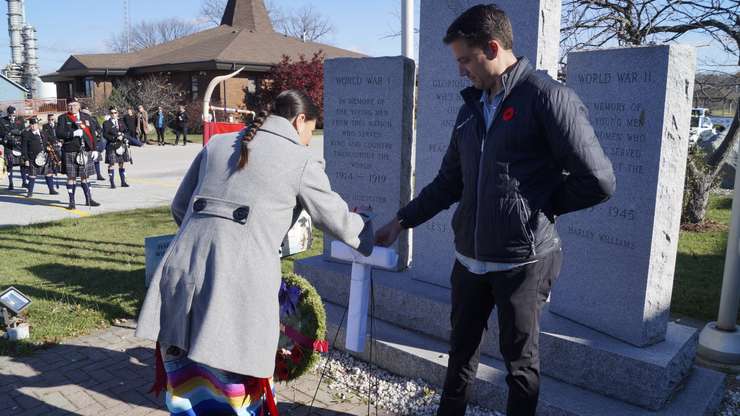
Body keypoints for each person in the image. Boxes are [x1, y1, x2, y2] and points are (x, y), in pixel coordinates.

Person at [374, 5, 616, 416]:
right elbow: (450, 182)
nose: (461, 70)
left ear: (492, 47)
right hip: (469, 259)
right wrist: (402, 220)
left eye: (465, 59)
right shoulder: (471, 109)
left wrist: (539, 208)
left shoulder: (547, 98)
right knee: (460, 355)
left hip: (523, 262)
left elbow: (598, 180)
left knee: (520, 365)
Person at [136, 90, 374, 415]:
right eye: (309, 131)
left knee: (187, 393)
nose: (307, 140)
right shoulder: (300, 159)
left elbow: (180, 207)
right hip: (237, 290)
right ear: (299, 120)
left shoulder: (217, 145)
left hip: (182, 274)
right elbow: (339, 221)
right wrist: (368, 228)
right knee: (237, 396)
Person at [57, 100, 101, 209]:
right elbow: (59, 134)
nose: (72, 107)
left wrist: (95, 149)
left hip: (85, 150)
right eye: (70, 105)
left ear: (79, 106)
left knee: (85, 176)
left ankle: (88, 199)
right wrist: (72, 134)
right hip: (70, 150)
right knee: (71, 177)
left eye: (74, 105)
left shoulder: (86, 117)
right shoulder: (63, 118)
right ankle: (72, 202)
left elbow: (92, 134)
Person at [21, 117, 58, 197]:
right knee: (32, 175)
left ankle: (51, 189)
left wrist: (55, 143)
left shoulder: (43, 133)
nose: (33, 126)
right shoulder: (26, 134)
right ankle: (30, 192)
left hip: (44, 156)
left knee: (48, 173)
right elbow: (24, 148)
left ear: (38, 125)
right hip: (32, 157)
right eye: (31, 124)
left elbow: (51, 140)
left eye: (35, 124)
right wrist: (26, 159)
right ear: (30, 125)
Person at [102, 107, 131, 188]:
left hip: (121, 145)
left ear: (117, 113)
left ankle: (123, 182)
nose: (113, 114)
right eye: (112, 113)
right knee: (111, 164)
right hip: (112, 145)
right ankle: (112, 183)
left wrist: (125, 137)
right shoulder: (106, 123)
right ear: (110, 114)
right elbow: (105, 134)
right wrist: (115, 138)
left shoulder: (121, 122)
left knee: (122, 163)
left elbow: (126, 131)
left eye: (115, 113)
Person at [0, 106, 24, 190]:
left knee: (23, 164)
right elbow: (2, 133)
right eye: (10, 114)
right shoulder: (2, 121)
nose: (12, 116)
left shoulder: (20, 119)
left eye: (13, 114)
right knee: (9, 165)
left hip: (19, 145)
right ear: (8, 114)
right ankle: (11, 183)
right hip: (8, 146)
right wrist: (9, 135)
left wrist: (14, 132)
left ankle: (24, 182)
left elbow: (22, 131)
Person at [81, 103, 106, 181]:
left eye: (87, 111)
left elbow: (99, 128)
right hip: (85, 141)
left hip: (94, 140)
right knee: (85, 159)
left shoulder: (93, 119)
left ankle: (98, 174)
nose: (86, 113)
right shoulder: (80, 120)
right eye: (84, 111)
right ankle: (84, 175)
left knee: (96, 158)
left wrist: (97, 132)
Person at [42, 113, 62, 190]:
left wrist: (61, 142)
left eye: (52, 119)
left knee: (60, 157)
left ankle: (59, 168)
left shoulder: (58, 125)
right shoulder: (45, 126)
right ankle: (54, 170)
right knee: (52, 160)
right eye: (49, 119)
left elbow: (61, 134)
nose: (51, 121)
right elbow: (45, 136)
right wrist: (52, 142)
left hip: (59, 144)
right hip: (51, 145)